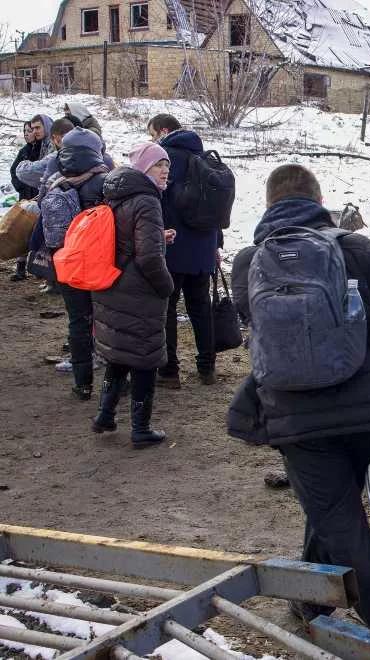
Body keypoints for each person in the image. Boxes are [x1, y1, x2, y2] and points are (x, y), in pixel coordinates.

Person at [226, 165, 370, 643]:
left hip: (296, 420)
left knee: (341, 525)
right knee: (335, 512)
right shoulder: (360, 249)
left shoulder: (249, 260)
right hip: (367, 414)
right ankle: (311, 599)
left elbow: (248, 319)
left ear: (270, 204)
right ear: (320, 199)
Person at [91, 143, 175, 448]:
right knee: (144, 358)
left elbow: (124, 240)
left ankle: (105, 415)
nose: (165, 170)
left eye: (167, 165)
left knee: (119, 353)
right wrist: (166, 286)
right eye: (158, 165)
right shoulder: (147, 201)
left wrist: (158, 237)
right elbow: (150, 259)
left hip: (113, 286)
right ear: (142, 169)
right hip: (139, 292)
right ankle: (141, 428)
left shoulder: (116, 194)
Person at [40, 127, 112, 399]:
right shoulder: (105, 183)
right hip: (101, 263)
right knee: (108, 320)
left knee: (78, 322)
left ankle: (82, 384)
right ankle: (117, 381)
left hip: (68, 264)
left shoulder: (56, 182)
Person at [148, 114, 219, 388]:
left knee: (167, 306)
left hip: (173, 244)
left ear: (164, 131)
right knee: (201, 307)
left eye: (153, 134)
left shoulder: (165, 157)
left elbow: (157, 198)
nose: (153, 140)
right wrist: (216, 244)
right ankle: (207, 368)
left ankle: (169, 371)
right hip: (204, 245)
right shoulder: (205, 157)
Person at [9, 114, 56, 282]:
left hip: (46, 197)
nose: (31, 133)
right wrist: (22, 188)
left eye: (36, 128)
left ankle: (47, 276)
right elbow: (15, 171)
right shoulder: (32, 148)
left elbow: (45, 170)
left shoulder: (50, 146)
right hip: (31, 195)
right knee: (30, 234)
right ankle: (32, 270)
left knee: (43, 237)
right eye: (29, 130)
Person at [8, 120, 39, 282]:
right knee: (22, 231)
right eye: (25, 131)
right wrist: (21, 186)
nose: (27, 133)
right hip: (26, 197)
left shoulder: (43, 149)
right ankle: (20, 268)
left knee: (36, 232)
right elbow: (14, 171)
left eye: (30, 130)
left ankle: (40, 268)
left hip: (39, 196)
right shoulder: (24, 151)